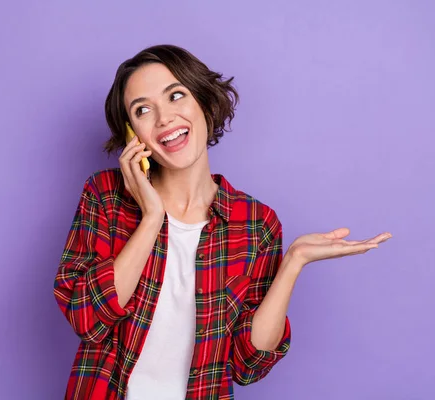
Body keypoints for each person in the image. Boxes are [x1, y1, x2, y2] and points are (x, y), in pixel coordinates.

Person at [53, 44, 391, 400]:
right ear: (132, 135)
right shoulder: (105, 196)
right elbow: (87, 318)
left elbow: (249, 364)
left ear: (204, 103)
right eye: (143, 110)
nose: (164, 118)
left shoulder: (255, 223)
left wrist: (293, 263)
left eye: (176, 96)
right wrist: (151, 217)